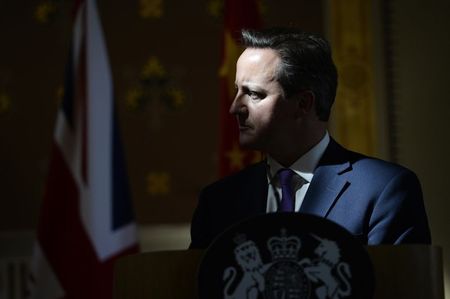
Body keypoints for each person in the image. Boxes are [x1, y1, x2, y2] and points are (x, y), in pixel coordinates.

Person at [190, 27, 431, 249]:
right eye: (237, 91)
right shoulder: (218, 202)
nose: (234, 108)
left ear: (304, 103)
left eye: (253, 94)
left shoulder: (384, 190)